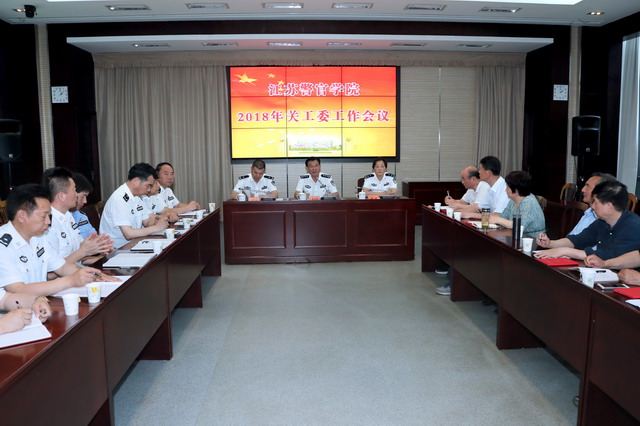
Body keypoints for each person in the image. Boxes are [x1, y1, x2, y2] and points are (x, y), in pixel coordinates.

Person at [0, 184, 118, 296]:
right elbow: (17, 290)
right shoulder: (3, 245)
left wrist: (94, 276)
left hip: (40, 303)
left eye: (49, 216)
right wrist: (71, 281)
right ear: (22, 216)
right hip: (17, 309)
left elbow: (61, 267)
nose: (48, 222)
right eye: (43, 216)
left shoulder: (39, 236)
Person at [535, 179, 640, 260]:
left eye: (595, 202)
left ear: (609, 206)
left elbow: (608, 256)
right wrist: (550, 243)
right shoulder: (602, 222)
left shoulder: (633, 226)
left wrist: (565, 251)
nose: (592, 206)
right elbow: (577, 240)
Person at [41, 167, 113, 264]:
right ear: (62, 196)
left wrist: (98, 248)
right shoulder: (47, 223)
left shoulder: (68, 216)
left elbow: (79, 259)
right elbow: (53, 269)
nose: (76, 194)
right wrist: (84, 250)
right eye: (74, 190)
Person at [99, 163, 169, 249]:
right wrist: (156, 228)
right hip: (117, 249)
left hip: (135, 243)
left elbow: (146, 221)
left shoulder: (137, 196)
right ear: (136, 181)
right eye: (148, 185)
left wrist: (158, 220)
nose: (149, 189)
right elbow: (129, 234)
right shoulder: (119, 198)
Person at [489, 171, 546, 236]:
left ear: (516, 189)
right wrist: (492, 218)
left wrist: (498, 220)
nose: (505, 190)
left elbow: (520, 226)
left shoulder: (528, 202)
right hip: (515, 236)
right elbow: (503, 216)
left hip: (533, 239)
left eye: (507, 187)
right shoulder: (513, 200)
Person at [70, 172, 98, 239]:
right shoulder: (58, 219)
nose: (85, 201)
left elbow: (94, 236)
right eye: (82, 197)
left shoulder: (81, 216)